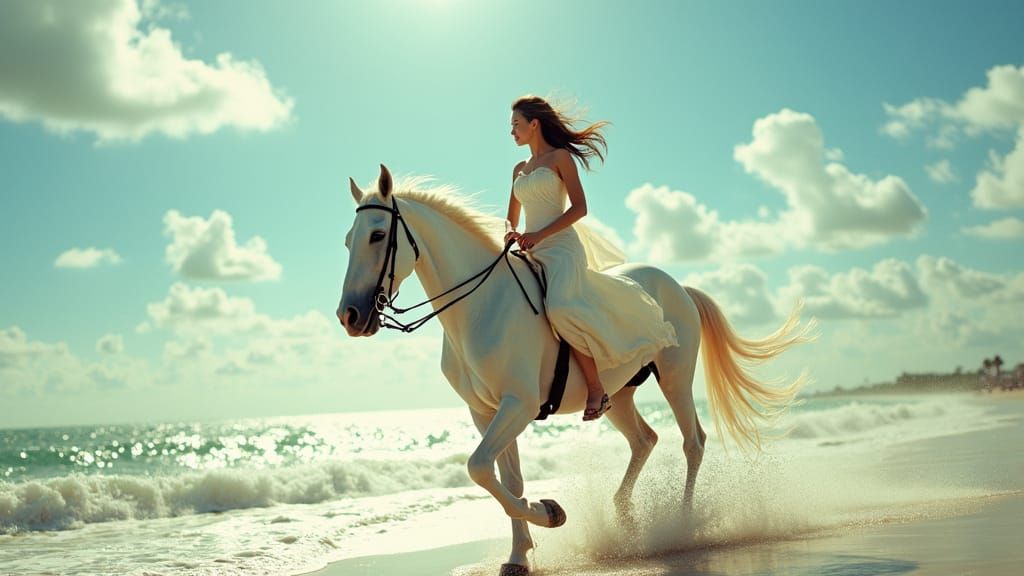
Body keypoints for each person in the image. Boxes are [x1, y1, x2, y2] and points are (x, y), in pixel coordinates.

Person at [503, 95, 678, 422]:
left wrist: (539, 236)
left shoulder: (560, 158)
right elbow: (511, 218)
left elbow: (580, 208)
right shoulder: (518, 170)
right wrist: (510, 234)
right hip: (530, 251)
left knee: (560, 308)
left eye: (515, 124)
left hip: (561, 249)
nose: (511, 131)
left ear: (534, 124)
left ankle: (597, 388)